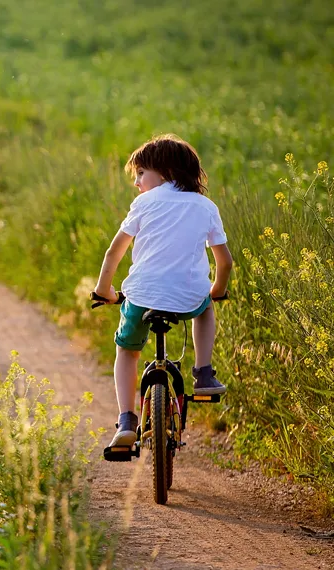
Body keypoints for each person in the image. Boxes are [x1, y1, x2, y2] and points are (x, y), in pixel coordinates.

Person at [93, 134, 233, 448]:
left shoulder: (144, 203)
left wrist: (104, 290)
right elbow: (224, 262)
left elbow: (114, 253)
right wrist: (217, 290)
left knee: (127, 350)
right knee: (206, 307)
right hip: (188, 299)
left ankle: (127, 419)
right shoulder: (206, 206)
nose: (137, 182)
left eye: (142, 173)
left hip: (141, 297)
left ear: (166, 172)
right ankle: (204, 372)